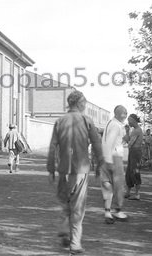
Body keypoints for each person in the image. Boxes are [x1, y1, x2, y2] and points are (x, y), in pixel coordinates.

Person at [47, 90, 104, 254]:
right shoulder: (86, 120)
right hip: (80, 169)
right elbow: (97, 144)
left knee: (65, 201)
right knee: (78, 207)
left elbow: (52, 147)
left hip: (64, 169)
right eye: (84, 103)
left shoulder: (60, 121)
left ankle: (65, 228)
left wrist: (51, 169)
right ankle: (75, 244)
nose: (85, 105)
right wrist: (100, 164)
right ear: (79, 103)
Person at [100, 105, 129, 224]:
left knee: (107, 185)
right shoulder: (116, 126)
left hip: (106, 157)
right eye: (124, 113)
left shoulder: (110, 123)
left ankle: (107, 212)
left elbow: (111, 141)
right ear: (117, 113)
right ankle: (118, 210)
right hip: (114, 157)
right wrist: (109, 161)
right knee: (119, 186)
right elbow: (110, 142)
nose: (126, 115)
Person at [124, 114, 143, 200]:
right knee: (129, 171)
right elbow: (128, 142)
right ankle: (128, 192)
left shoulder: (137, 130)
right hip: (133, 152)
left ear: (134, 120)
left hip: (135, 152)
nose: (128, 122)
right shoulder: (134, 130)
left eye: (129, 120)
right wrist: (127, 132)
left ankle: (137, 194)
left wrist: (126, 138)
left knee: (135, 171)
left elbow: (130, 143)